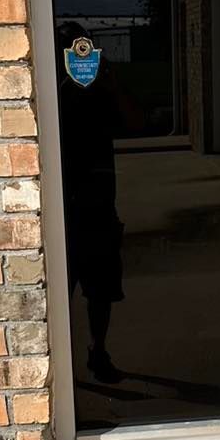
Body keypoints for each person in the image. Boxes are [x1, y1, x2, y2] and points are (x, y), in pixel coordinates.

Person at [56, 22, 141, 383]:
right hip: (61, 210)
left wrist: (111, 83)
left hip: (99, 206)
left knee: (101, 290)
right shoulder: (51, 92)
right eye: (72, 52)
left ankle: (98, 351)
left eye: (85, 51)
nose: (80, 60)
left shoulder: (101, 92)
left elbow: (135, 123)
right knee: (57, 294)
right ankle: (58, 366)